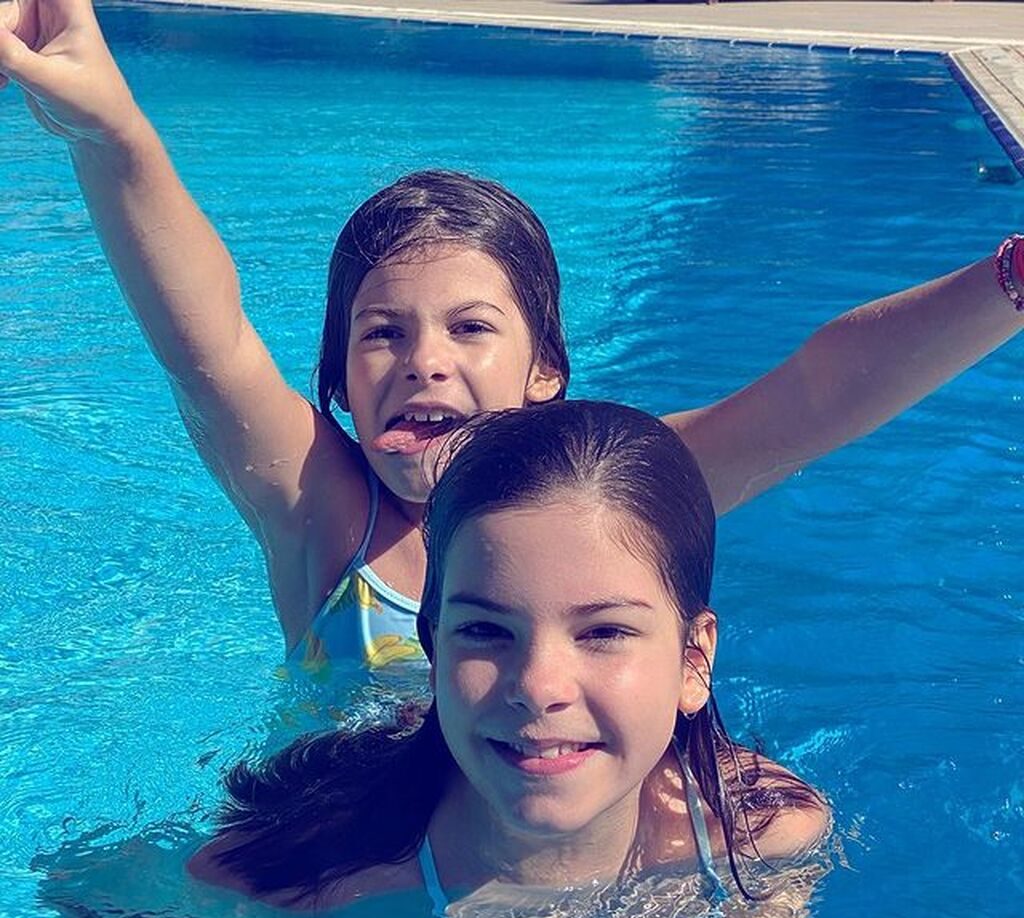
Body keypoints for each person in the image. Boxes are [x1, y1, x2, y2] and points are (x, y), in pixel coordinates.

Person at [2, 0, 1023, 693]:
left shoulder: (612, 494)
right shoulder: (327, 516)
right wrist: (112, 134)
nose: (423, 359)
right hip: (345, 882)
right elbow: (208, 345)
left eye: (470, 327)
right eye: (382, 333)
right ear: (338, 385)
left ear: (546, 374)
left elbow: (814, 398)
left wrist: (1011, 278)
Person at [189, 401, 829, 918]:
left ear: (693, 660)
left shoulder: (761, 835)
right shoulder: (297, 892)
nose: (537, 688)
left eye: (603, 632)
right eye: (486, 631)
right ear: (434, 652)